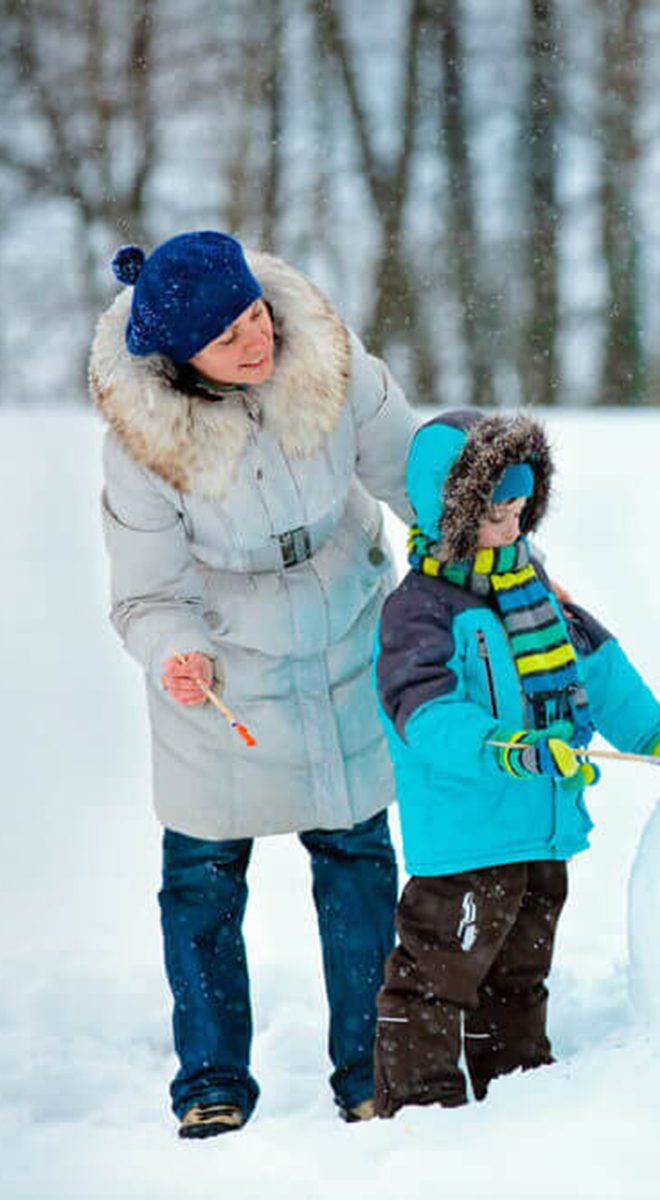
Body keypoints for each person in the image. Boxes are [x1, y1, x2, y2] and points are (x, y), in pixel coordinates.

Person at [89, 231, 421, 1138]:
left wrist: (495, 548)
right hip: (219, 668)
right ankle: (211, 1078)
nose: (254, 340)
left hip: (343, 631)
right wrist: (174, 652)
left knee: (356, 856)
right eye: (225, 336)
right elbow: (146, 596)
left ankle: (370, 1069)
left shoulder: (333, 367)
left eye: (253, 315)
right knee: (201, 879)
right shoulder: (142, 444)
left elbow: (414, 473)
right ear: (179, 359)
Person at [372, 409, 660, 1115]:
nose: (514, 529)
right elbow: (422, 712)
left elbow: (598, 668)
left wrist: (654, 738)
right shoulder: (421, 611)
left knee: (518, 973)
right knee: (439, 972)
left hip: (540, 827)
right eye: (496, 514)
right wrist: (506, 748)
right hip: (465, 837)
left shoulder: (534, 590)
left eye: (522, 511)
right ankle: (418, 1105)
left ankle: (517, 1090)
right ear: (451, 515)